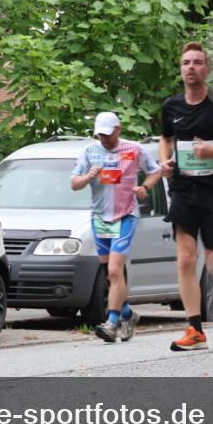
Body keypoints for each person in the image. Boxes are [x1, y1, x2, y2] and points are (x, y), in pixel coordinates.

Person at [159, 42, 213, 351]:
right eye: (186, 62)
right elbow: (165, 138)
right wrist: (165, 162)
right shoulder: (171, 107)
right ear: (180, 69)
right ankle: (194, 329)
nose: (191, 67)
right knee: (185, 257)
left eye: (198, 62)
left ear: (206, 69)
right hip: (183, 190)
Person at [71, 111, 161, 343]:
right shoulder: (90, 152)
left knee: (114, 270)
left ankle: (112, 323)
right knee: (111, 275)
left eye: (108, 135)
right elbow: (74, 183)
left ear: (118, 130)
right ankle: (128, 314)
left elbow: (155, 171)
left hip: (126, 216)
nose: (104, 139)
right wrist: (88, 178)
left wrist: (145, 189)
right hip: (100, 217)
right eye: (100, 135)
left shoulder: (133, 149)